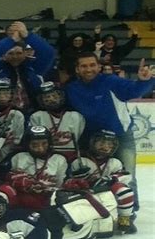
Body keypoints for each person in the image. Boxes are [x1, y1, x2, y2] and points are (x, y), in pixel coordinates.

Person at [65, 52, 154, 211]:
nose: (89, 69)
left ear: (99, 66)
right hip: (90, 139)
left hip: (120, 136)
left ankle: (129, 212)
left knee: (127, 175)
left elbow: (133, 90)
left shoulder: (111, 81)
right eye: (84, 66)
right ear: (77, 69)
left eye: (92, 65)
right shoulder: (71, 89)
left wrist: (144, 81)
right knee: (91, 177)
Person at [66, 130, 137, 234]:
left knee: (124, 191)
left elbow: (126, 176)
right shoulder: (80, 161)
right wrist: (78, 179)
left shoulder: (115, 163)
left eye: (109, 144)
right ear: (92, 143)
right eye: (101, 143)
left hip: (108, 196)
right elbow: (68, 183)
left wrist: (111, 179)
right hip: (87, 195)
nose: (105, 146)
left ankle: (124, 219)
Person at [0, 21, 55, 116]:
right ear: (4, 55)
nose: (15, 57)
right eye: (11, 53)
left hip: (33, 113)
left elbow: (49, 53)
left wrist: (28, 36)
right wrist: (11, 40)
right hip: (3, 114)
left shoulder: (34, 67)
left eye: (19, 53)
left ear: (25, 53)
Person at [5, 125, 68, 211]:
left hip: (50, 201)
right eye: (34, 145)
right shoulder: (19, 157)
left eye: (44, 143)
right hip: (24, 202)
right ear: (27, 144)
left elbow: (60, 185)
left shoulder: (59, 159)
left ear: (49, 143)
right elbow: (12, 183)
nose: (40, 148)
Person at [29, 81, 85, 162]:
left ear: (61, 96)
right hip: (46, 157)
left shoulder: (75, 116)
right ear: (41, 100)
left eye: (54, 96)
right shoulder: (37, 116)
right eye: (47, 97)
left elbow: (79, 136)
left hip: (71, 156)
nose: (51, 99)